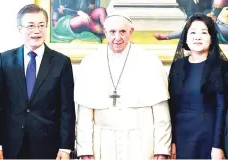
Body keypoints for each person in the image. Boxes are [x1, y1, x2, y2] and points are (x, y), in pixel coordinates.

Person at [75, 12, 172, 160]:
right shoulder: (90, 61)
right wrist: (85, 149)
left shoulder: (149, 61)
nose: (117, 38)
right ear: (105, 31)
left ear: (131, 32)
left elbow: (161, 113)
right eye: (112, 32)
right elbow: (84, 113)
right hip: (102, 142)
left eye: (122, 32)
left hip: (141, 141)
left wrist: (162, 148)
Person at [0, 4, 76, 159]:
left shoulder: (61, 62)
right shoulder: (5, 60)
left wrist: (65, 147)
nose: (36, 31)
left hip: (48, 146)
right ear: (19, 29)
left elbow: (67, 109)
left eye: (41, 25)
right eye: (30, 26)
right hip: (11, 145)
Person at [168, 13, 228, 159]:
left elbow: (222, 109)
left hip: (209, 137)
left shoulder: (221, 66)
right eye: (193, 32)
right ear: (186, 37)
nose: (197, 37)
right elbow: (172, 106)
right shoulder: (178, 66)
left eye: (203, 32)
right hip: (182, 137)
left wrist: (218, 146)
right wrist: (172, 141)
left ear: (211, 37)